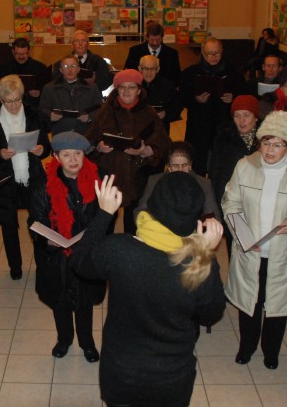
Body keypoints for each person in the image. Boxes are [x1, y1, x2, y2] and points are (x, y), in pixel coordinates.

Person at [71, 172, 226, 407]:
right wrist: (208, 254)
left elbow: (79, 261)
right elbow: (211, 313)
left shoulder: (118, 250)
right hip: (172, 379)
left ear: (153, 205)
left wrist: (104, 214)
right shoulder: (196, 264)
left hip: (122, 374)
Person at [222, 111, 287, 370]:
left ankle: (271, 351)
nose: (269, 150)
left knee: (277, 305)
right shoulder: (245, 166)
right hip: (250, 250)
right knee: (250, 303)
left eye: (277, 144)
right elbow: (230, 202)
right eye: (266, 142)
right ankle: (247, 347)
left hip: (284, 253)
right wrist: (244, 236)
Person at [28, 131, 106, 363]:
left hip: (87, 254)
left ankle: (87, 342)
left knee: (84, 302)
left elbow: (106, 217)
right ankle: (64, 339)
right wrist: (46, 240)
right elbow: (35, 221)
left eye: (78, 154)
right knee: (60, 301)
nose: (73, 160)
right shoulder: (42, 185)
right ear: (56, 157)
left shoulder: (98, 180)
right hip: (57, 256)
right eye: (66, 154)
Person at [0, 75, 51, 280]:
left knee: (39, 221)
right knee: (8, 224)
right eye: (8, 101)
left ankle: (43, 264)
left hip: (33, 175)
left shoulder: (35, 116)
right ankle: (15, 267)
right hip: (5, 178)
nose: (14, 105)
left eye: (17, 99)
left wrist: (42, 150)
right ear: (0, 99)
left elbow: (46, 146)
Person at [86, 69, 170, 234]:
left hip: (137, 175)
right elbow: (89, 138)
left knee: (134, 222)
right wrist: (98, 146)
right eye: (122, 87)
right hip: (108, 173)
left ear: (139, 90)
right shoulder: (105, 111)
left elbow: (163, 144)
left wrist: (145, 151)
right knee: (105, 221)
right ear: (117, 89)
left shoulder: (149, 113)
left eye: (131, 87)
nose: (126, 91)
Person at [180, 37, 244, 176]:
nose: (214, 56)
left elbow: (243, 94)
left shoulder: (234, 72)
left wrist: (233, 98)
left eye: (217, 53)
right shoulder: (190, 73)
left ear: (222, 51)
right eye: (209, 53)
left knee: (221, 164)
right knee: (197, 163)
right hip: (198, 126)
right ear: (202, 53)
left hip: (223, 124)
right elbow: (182, 97)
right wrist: (195, 99)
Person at [209, 95, 261, 258]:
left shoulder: (266, 139)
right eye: (237, 116)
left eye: (246, 115)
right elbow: (216, 173)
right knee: (235, 245)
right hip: (234, 201)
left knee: (259, 245)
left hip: (259, 200)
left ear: (256, 117)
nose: (241, 120)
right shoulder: (223, 138)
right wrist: (217, 204)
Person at [135, 141, 218, 221]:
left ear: (190, 165)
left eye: (184, 165)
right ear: (169, 166)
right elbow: (141, 212)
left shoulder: (204, 184)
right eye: (176, 166)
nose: (180, 170)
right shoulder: (154, 181)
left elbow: (213, 216)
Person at [39, 55, 103, 135]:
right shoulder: (49, 88)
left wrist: (89, 117)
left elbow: (100, 109)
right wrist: (50, 115)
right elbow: (43, 109)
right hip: (60, 132)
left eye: (73, 66)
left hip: (86, 133)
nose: (70, 70)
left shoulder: (92, 88)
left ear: (78, 69)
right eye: (66, 66)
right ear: (61, 70)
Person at [0, 38, 49, 108]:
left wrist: (40, 93)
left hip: (34, 108)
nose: (21, 57)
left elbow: (49, 91)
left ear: (29, 52)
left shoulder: (40, 68)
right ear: (13, 52)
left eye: (24, 54)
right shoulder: (5, 68)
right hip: (11, 107)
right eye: (18, 54)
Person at [139, 54, 182, 134]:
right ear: (140, 69)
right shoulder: (133, 85)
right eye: (146, 69)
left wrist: (165, 114)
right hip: (137, 129)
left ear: (158, 69)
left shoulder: (168, 86)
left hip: (160, 131)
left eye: (153, 69)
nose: (149, 72)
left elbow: (177, 106)